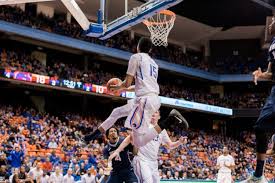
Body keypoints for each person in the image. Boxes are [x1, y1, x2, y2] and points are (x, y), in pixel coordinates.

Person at [84, 37, 188, 148]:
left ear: (138, 47)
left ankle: (170, 119)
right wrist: (123, 88)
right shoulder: (154, 64)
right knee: (116, 112)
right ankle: (92, 136)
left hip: (145, 101)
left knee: (138, 142)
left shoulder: (136, 57)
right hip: (150, 99)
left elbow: (127, 83)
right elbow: (139, 85)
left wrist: (118, 87)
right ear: (150, 50)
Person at [108, 111, 188, 183]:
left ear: (159, 117)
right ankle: (171, 118)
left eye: (156, 112)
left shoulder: (162, 131)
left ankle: (171, 118)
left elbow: (170, 145)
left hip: (153, 162)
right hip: (142, 160)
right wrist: (117, 151)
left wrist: (179, 142)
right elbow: (129, 138)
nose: (153, 113)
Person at [242, 16, 275, 183]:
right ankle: (258, 176)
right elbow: (271, 74)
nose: (271, 22)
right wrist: (260, 74)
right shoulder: (272, 45)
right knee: (261, 127)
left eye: (274, 19)